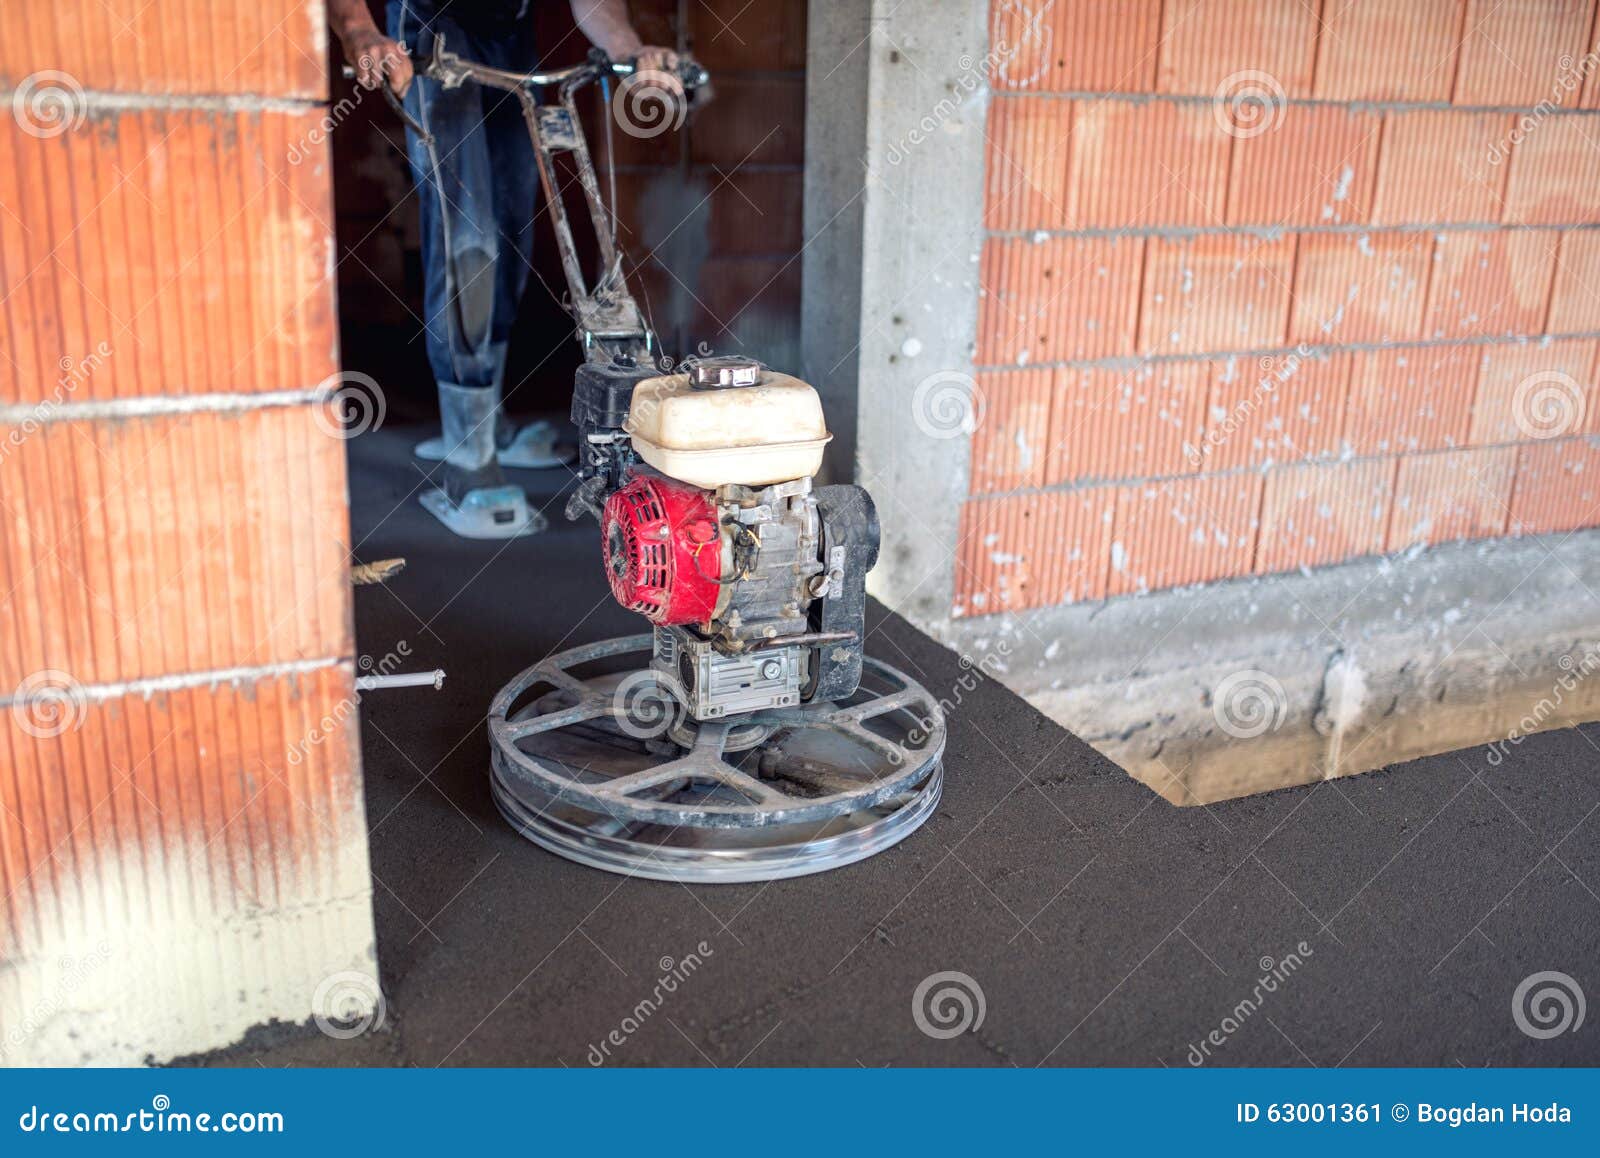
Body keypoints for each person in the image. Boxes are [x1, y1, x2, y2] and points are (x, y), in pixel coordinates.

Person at [327, 1, 683, 538]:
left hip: (510, 37)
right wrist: (359, 31)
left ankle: (486, 420)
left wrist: (629, 50)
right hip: (429, 29)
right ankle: (468, 456)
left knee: (517, 228)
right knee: (467, 234)